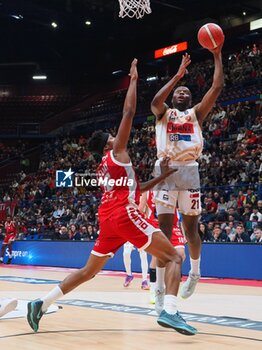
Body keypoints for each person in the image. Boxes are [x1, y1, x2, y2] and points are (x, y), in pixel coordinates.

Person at [27, 59, 197, 336]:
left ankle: (41, 303)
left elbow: (137, 189)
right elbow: (129, 112)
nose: (118, 135)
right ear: (109, 141)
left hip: (108, 218)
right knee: (175, 257)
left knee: (87, 271)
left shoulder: (103, 165)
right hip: (123, 213)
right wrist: (133, 80)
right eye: (113, 135)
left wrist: (162, 177)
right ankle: (171, 311)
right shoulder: (118, 151)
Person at [151, 42, 224, 300]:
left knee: (190, 231)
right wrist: (177, 76)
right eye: (178, 91)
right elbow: (155, 100)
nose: (182, 93)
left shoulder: (196, 114)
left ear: (190, 99)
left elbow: (216, 88)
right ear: (173, 97)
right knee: (163, 233)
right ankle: (158, 287)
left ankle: (194, 273)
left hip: (189, 171)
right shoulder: (163, 114)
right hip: (165, 171)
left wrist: (216, 55)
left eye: (186, 91)